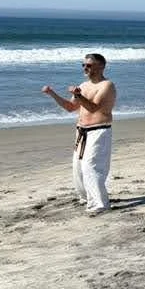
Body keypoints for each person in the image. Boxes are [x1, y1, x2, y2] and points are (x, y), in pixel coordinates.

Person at [41, 53, 116, 215]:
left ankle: (100, 204)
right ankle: (87, 198)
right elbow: (70, 107)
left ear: (101, 66)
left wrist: (78, 95)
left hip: (99, 131)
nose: (85, 68)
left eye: (89, 65)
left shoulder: (107, 85)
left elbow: (93, 108)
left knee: (91, 167)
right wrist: (52, 93)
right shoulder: (84, 85)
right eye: (83, 65)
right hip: (82, 131)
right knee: (79, 168)